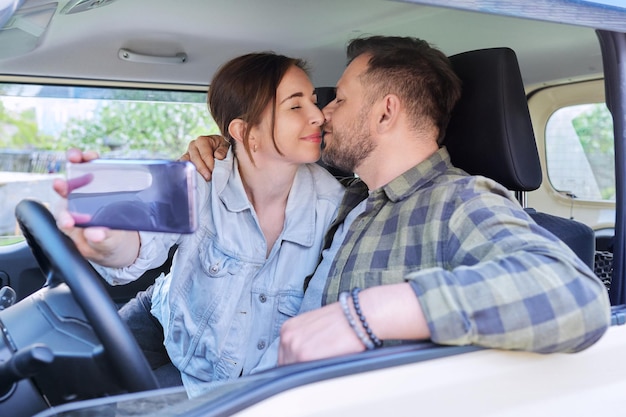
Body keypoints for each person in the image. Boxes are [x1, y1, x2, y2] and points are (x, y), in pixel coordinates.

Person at [184, 35, 611, 368]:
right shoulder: (352, 198)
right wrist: (228, 146)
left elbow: (572, 295)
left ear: (386, 113)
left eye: (340, 99)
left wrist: (366, 315)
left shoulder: (456, 200)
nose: (324, 113)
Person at [53, 52, 345, 396]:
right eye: (296, 106)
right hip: (163, 315)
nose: (318, 115)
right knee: (79, 384)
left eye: (313, 101)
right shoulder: (200, 175)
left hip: (220, 378)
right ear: (244, 131)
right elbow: (141, 241)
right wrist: (111, 242)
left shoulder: (332, 206)